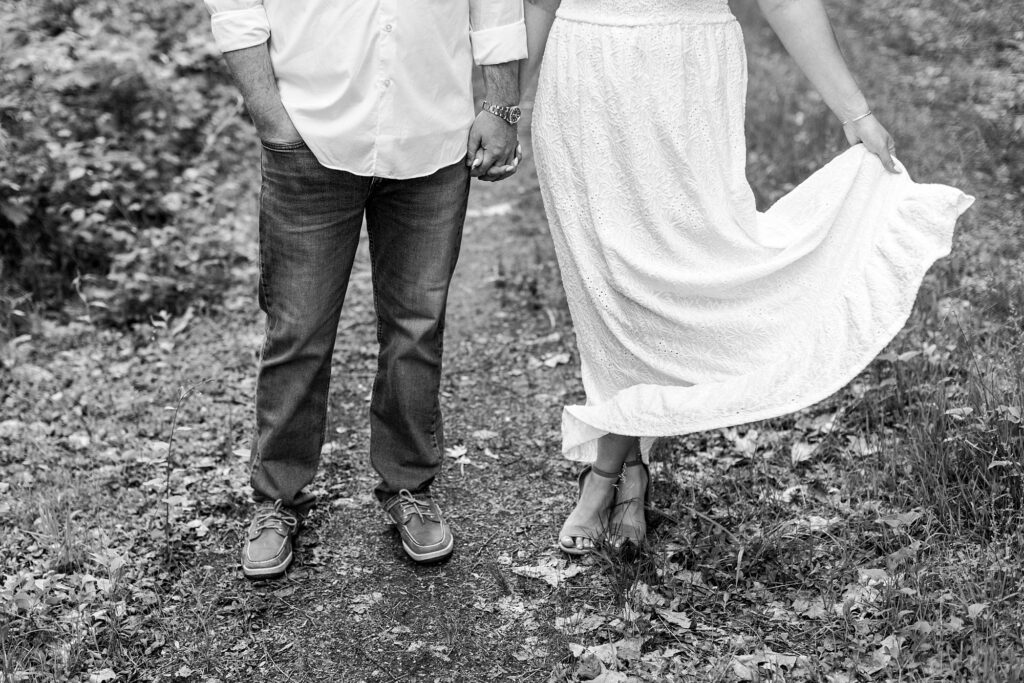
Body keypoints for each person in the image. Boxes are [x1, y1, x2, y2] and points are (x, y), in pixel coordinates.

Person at [521, 0, 974, 554]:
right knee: (609, 290)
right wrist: (513, 100)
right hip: (584, 76)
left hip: (685, 78)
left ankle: (608, 474)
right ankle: (624, 471)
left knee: (670, 279)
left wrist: (856, 113)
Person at [203, 1, 528, 577]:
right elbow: (235, 8)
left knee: (417, 325)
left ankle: (409, 488)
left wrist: (501, 107)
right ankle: (276, 499)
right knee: (297, 329)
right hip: (309, 135)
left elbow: (497, 7)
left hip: (432, 135)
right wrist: (270, 116)